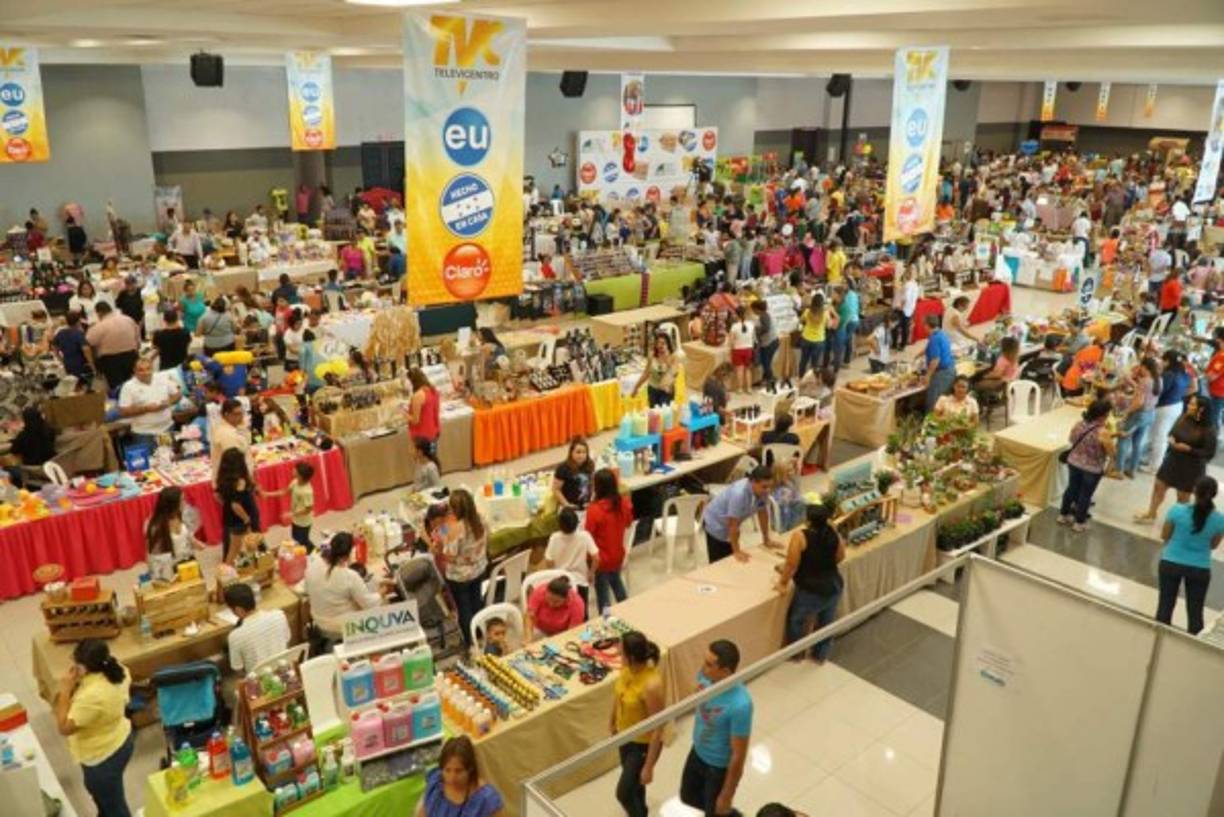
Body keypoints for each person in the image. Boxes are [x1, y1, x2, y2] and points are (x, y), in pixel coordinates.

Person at [55, 639, 134, 816]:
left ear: (83, 668)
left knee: (114, 806)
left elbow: (63, 728)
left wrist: (65, 690)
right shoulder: (117, 669)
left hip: (101, 756)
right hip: (120, 738)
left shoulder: (92, 697)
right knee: (106, 798)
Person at [680, 640, 752, 817]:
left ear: (726, 671)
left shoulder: (741, 705)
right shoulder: (706, 677)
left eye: (709, 664)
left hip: (717, 767)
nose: (703, 668)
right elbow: (696, 688)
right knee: (687, 796)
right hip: (697, 752)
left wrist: (727, 795)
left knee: (716, 811)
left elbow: (738, 755)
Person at [776, 503, 845, 662]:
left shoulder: (800, 536)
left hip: (812, 590)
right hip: (834, 584)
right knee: (826, 623)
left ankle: (797, 654)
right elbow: (841, 556)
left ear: (807, 520)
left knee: (796, 621)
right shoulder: (834, 533)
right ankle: (820, 655)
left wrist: (783, 583)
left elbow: (791, 564)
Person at [1155, 476, 1224, 635]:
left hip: (1170, 562)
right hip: (1200, 568)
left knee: (1164, 607)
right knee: (1195, 614)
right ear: (1214, 495)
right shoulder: (1220, 520)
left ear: (1194, 490)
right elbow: (1213, 545)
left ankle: (1158, 645)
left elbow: (1165, 535)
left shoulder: (1176, 510)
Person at [1136, 394, 1218, 524]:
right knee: (1159, 486)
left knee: (1182, 496)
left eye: (1192, 404)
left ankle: (1177, 522)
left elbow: (1209, 453)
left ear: (1201, 409)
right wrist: (1171, 439)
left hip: (1191, 467)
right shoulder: (1184, 417)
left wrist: (1189, 449)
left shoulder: (1208, 429)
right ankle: (1151, 513)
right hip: (1173, 460)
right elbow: (1172, 432)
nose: (1189, 406)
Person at [610, 631, 665, 817]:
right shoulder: (626, 669)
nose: (618, 652)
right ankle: (642, 811)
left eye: (621, 650)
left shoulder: (651, 685)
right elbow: (619, 695)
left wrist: (649, 766)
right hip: (624, 736)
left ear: (631, 657)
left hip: (642, 744)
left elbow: (659, 727)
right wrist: (612, 721)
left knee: (623, 793)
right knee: (635, 786)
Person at [304, 532, 383, 642]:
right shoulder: (349, 576)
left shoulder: (313, 565)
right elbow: (369, 604)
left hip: (319, 622)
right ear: (347, 556)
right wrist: (382, 593)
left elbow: (306, 590)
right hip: (342, 629)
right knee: (380, 607)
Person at [434, 489, 488, 646]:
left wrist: (438, 549)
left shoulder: (456, 528)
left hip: (460, 576)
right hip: (478, 569)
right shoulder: (480, 520)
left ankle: (470, 641)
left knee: (464, 609)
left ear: (454, 509)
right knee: (476, 602)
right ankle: (479, 633)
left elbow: (449, 555)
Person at [1058, 398, 1114, 532]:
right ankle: (1079, 522)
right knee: (1085, 495)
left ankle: (1063, 515)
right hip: (1092, 468)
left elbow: (1071, 439)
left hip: (1074, 462)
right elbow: (1112, 453)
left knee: (1071, 489)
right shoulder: (1103, 432)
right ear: (1102, 415)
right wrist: (1109, 469)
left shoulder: (1079, 424)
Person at [701, 465, 777, 563]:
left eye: (770, 486)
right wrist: (736, 551)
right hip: (715, 523)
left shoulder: (762, 491)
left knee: (731, 557)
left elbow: (762, 512)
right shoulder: (739, 494)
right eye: (764, 487)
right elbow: (733, 525)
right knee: (720, 563)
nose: (768, 490)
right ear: (753, 482)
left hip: (730, 525)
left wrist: (766, 539)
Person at [415, 736, 505, 817]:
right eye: (447, 770)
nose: (452, 778)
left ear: (470, 769)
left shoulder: (486, 799)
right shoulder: (436, 783)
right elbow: (421, 812)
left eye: (458, 771)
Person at [585, 468, 634, 613]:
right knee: (616, 582)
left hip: (600, 559)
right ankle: (628, 611)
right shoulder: (623, 503)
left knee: (603, 595)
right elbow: (629, 523)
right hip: (618, 554)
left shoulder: (594, 510)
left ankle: (605, 620)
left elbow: (588, 535)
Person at [224, 582, 290, 674]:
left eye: (231, 609)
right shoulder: (279, 615)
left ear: (239, 610)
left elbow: (238, 670)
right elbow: (287, 642)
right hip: (285, 672)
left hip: (260, 684)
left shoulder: (235, 636)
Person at [118, 357, 180, 449]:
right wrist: (145, 409)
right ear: (134, 371)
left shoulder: (162, 379)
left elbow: (177, 394)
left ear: (152, 369)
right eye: (141, 370)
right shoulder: (128, 386)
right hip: (144, 433)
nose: (146, 373)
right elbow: (123, 411)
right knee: (149, 461)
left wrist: (168, 402)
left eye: (148, 369)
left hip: (166, 429)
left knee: (168, 458)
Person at [545, 507, 597, 617]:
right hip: (580, 581)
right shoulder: (584, 536)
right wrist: (591, 573)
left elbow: (548, 560)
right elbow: (596, 557)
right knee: (582, 613)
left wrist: (553, 572)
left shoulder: (554, 538)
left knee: (562, 615)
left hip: (561, 583)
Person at [215, 447, 263, 563]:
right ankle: (226, 575)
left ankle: (253, 565)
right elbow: (236, 505)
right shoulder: (240, 482)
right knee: (235, 550)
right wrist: (247, 519)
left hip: (230, 518)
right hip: (240, 520)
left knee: (247, 546)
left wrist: (227, 504)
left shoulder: (222, 478)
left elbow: (218, 497)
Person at [1116, 357, 1161, 479]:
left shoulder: (1145, 381)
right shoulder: (1158, 380)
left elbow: (1139, 402)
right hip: (1150, 414)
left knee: (1123, 440)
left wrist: (1126, 412)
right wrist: (1131, 381)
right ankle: (1132, 470)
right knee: (1137, 443)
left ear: (1144, 367)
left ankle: (1118, 470)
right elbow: (1145, 393)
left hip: (1138, 414)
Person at [1147, 350, 1192, 470]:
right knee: (1161, 434)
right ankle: (1154, 461)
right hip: (1177, 405)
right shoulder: (1184, 373)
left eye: (1163, 360)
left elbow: (1159, 391)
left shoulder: (1169, 374)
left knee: (1159, 436)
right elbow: (1191, 387)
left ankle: (1155, 465)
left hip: (1165, 407)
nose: (1161, 362)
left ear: (1168, 361)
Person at [145, 486, 205, 563]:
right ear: (172, 505)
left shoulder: (182, 515)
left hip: (188, 560)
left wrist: (196, 543)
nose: (185, 503)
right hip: (169, 566)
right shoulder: (156, 526)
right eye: (182, 500)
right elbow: (152, 553)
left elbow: (187, 534)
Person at [525, 575, 585, 639]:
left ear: (566, 598)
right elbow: (529, 616)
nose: (551, 604)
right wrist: (528, 637)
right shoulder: (539, 592)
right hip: (539, 629)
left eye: (556, 602)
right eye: (549, 599)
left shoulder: (576, 603)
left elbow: (572, 631)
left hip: (562, 633)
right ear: (546, 592)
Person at [631, 332, 680, 408]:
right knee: (654, 415)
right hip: (653, 390)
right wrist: (636, 387)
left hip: (666, 391)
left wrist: (667, 360)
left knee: (665, 415)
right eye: (658, 343)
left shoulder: (673, 356)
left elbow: (675, 374)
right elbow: (646, 374)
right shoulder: (652, 356)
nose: (661, 345)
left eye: (663, 343)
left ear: (668, 344)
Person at [919, 313, 956, 412]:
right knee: (943, 400)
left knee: (934, 402)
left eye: (924, 325)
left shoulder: (934, 339)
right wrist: (918, 355)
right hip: (950, 370)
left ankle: (931, 424)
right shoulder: (941, 333)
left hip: (942, 373)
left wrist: (928, 376)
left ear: (927, 325)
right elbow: (931, 348)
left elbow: (935, 360)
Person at [797, 292, 835, 380]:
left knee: (803, 360)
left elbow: (801, 320)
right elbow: (829, 326)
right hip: (819, 340)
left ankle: (800, 377)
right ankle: (813, 379)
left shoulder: (807, 312)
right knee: (815, 363)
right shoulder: (825, 314)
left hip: (806, 338)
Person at [407, 366, 441, 456]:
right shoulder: (433, 391)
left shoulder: (418, 395)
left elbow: (415, 420)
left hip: (421, 436)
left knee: (422, 462)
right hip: (433, 432)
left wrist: (404, 415)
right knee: (433, 457)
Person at [552, 436, 594, 510]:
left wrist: (592, 499)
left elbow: (592, 483)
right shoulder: (563, 468)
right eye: (578, 452)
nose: (581, 455)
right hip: (571, 507)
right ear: (571, 452)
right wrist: (566, 504)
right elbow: (556, 489)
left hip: (587, 506)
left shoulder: (590, 464)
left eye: (584, 452)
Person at [51, 310, 91, 381]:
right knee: (82, 384)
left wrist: (60, 359)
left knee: (73, 383)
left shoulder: (61, 333)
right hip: (80, 363)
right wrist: (92, 365)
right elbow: (86, 350)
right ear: (78, 321)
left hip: (67, 363)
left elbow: (54, 346)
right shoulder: (79, 334)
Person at [751, 300, 779, 389]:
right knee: (767, 362)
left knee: (766, 363)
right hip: (773, 341)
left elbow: (766, 328)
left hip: (768, 343)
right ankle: (765, 379)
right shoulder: (765, 315)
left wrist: (756, 330)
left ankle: (771, 379)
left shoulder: (763, 316)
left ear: (757, 309)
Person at [728, 306, 755, 394]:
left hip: (737, 349)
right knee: (748, 370)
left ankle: (740, 389)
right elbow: (753, 337)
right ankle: (749, 388)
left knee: (739, 370)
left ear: (736, 315)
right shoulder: (751, 325)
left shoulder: (734, 326)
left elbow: (731, 341)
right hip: (749, 349)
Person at [836, 280, 861, 367]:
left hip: (851, 321)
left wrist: (845, 323)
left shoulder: (849, 295)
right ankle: (846, 361)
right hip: (854, 320)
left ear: (848, 285)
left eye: (844, 283)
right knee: (848, 340)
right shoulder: (852, 294)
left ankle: (841, 361)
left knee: (843, 341)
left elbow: (850, 311)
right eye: (842, 283)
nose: (842, 285)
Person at [1204, 326, 1224, 428]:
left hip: (1216, 392)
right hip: (1220, 391)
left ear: (1219, 340)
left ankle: (1210, 439)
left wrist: (1203, 374)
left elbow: (1211, 377)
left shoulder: (1222, 356)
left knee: (1212, 418)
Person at [898, 268, 920, 350]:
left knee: (904, 327)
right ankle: (905, 342)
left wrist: (901, 306)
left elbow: (905, 297)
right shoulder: (915, 284)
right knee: (907, 326)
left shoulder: (907, 284)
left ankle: (902, 344)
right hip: (911, 307)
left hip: (905, 308)